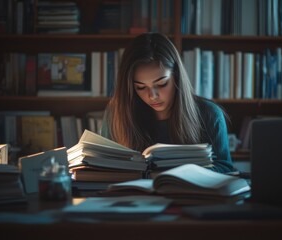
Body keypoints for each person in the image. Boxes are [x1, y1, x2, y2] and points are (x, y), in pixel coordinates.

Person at [101, 32, 235, 173]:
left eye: (162, 84)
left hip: (189, 193)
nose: (152, 96)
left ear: (176, 76)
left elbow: (225, 168)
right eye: (140, 87)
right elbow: (103, 166)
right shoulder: (116, 114)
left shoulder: (209, 114)